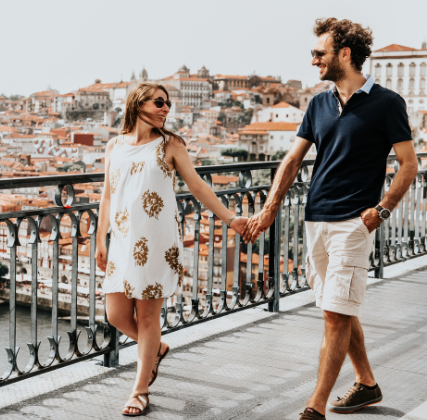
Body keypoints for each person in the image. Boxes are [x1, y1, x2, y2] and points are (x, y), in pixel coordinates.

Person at [243, 18, 417, 420]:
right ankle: (367, 385)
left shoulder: (387, 103)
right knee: (338, 307)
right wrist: (269, 208)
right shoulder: (319, 102)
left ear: (344, 54)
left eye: (319, 53)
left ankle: (314, 407)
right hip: (315, 219)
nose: (312, 60)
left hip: (353, 224)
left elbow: (408, 165)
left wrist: (383, 209)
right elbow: (292, 160)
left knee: (335, 315)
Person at [96, 82, 248, 416]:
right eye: (160, 102)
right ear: (138, 104)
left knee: (148, 316)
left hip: (157, 241)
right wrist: (99, 238)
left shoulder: (170, 145)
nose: (166, 108)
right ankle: (156, 349)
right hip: (122, 241)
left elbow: (197, 186)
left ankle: (139, 390)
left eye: (169, 104)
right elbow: (107, 194)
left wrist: (230, 218)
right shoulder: (114, 146)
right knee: (115, 314)